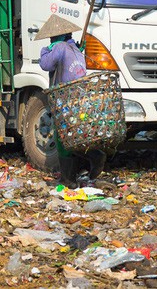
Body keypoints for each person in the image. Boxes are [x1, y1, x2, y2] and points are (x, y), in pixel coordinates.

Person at [35, 14, 107, 186]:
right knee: (75, 135)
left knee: (64, 139)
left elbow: (45, 64)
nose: (51, 39)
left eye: (52, 37)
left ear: (57, 36)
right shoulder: (76, 49)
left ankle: (89, 162)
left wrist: (45, 50)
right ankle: (72, 176)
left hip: (65, 99)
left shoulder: (59, 47)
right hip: (79, 98)